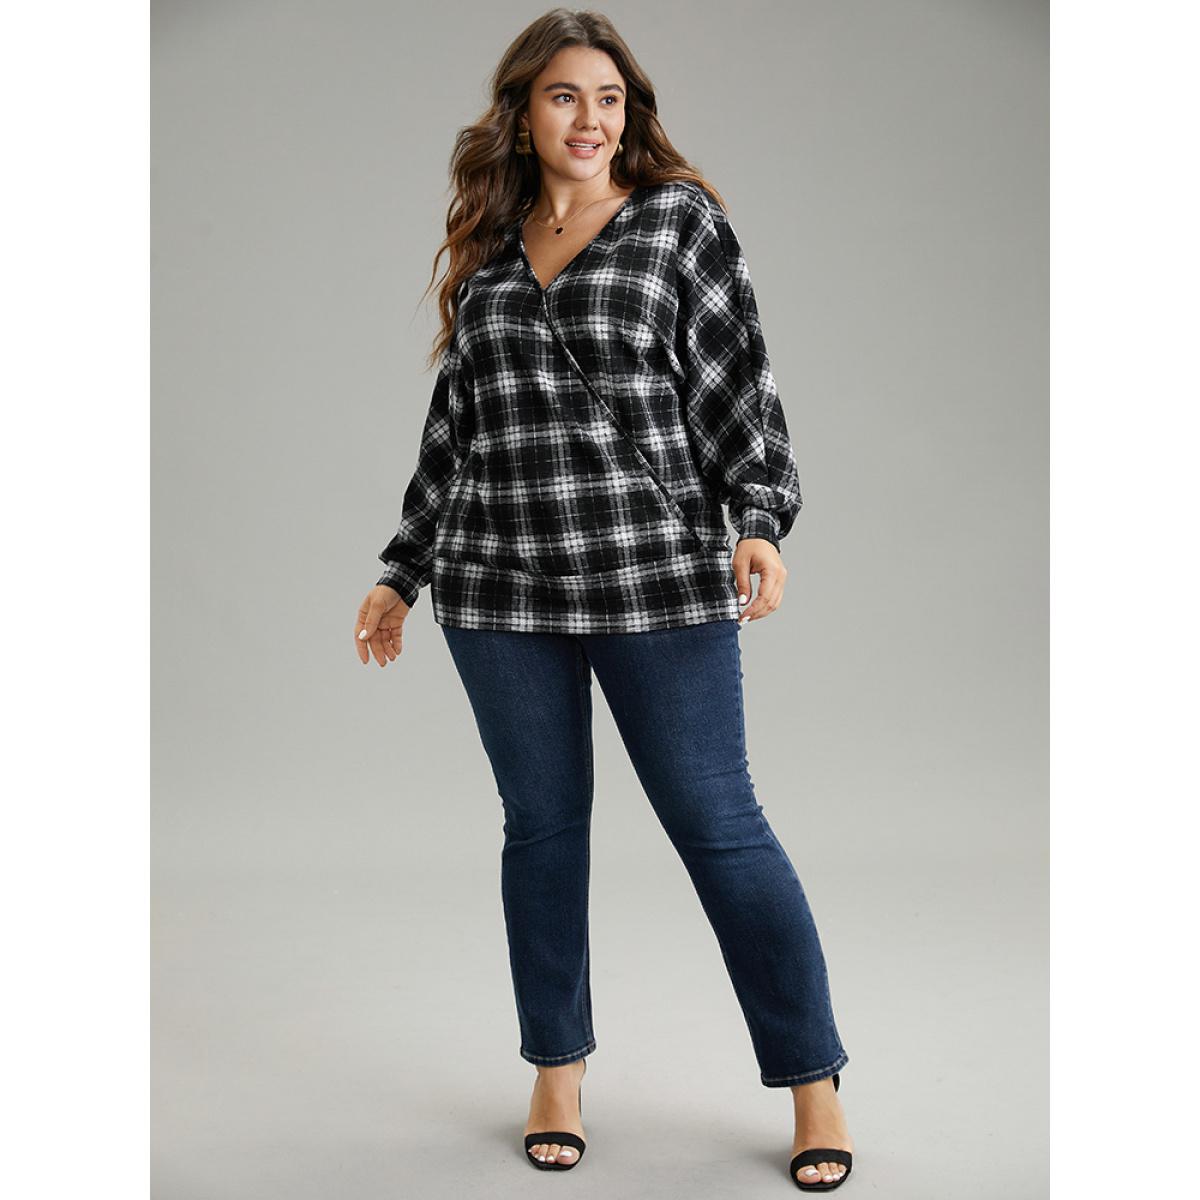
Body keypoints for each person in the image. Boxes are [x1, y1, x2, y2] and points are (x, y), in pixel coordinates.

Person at [354, 10, 855, 1191]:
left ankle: (814, 1082)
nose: (590, 119)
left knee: (721, 828)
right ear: (523, 114)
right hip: (498, 589)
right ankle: (557, 1070)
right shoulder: (490, 247)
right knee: (541, 831)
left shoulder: (679, 224)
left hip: (655, 580)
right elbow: (458, 432)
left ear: (630, 115)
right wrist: (402, 569)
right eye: (565, 96)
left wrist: (758, 521)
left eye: (610, 98)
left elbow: (740, 391)